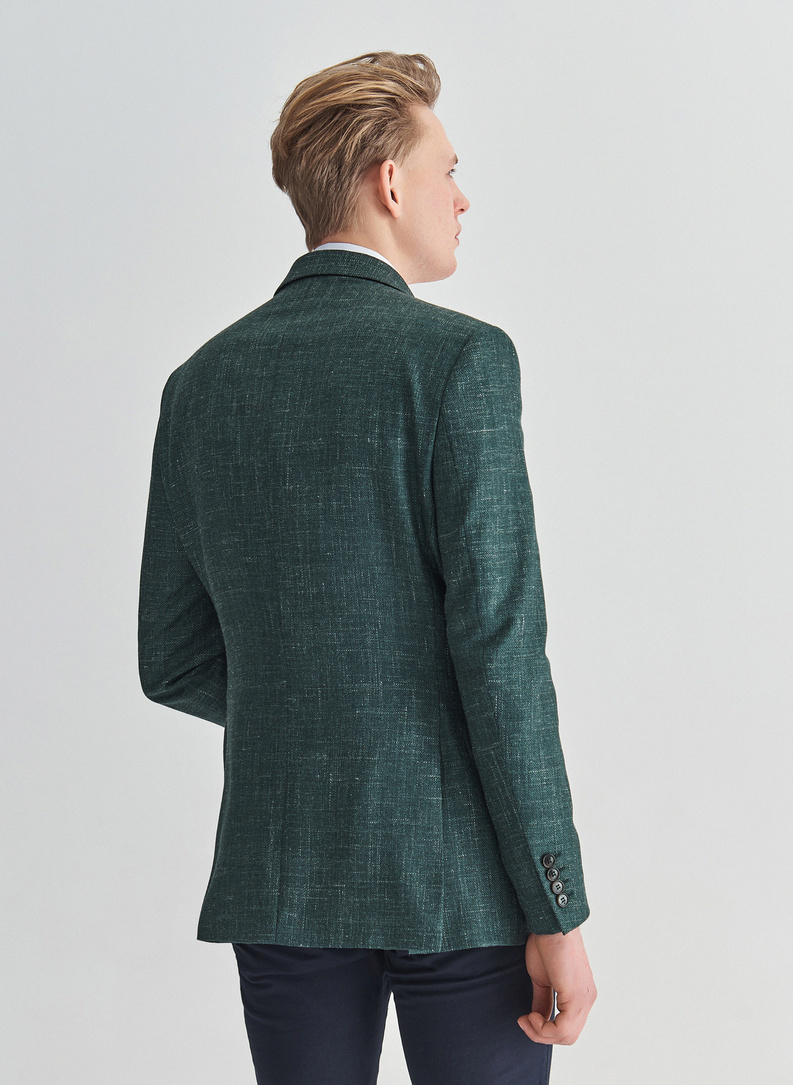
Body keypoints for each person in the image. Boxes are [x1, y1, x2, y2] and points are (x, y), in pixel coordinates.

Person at [138, 50, 596, 1084]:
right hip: (459, 880)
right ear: (391, 182)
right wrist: (556, 906)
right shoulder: (460, 360)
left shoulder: (198, 383)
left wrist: (313, 720)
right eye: (448, 169)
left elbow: (172, 659)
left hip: (280, 872)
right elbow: (499, 649)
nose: (461, 196)